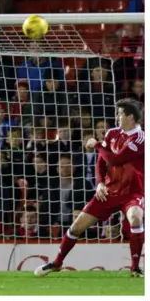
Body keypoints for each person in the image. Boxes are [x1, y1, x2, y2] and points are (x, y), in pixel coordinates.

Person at [35, 99, 144, 278]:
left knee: (136, 218)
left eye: (120, 114)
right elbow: (102, 161)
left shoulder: (140, 139)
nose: (117, 117)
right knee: (77, 226)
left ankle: (135, 268)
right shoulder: (112, 133)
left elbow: (115, 159)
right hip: (109, 191)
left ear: (130, 117)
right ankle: (56, 263)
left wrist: (97, 144)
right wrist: (100, 182)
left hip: (132, 192)